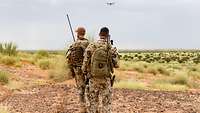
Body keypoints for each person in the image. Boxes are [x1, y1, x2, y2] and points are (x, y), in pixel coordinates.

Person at [82, 27, 119, 113]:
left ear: (99, 34)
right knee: (106, 103)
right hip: (106, 79)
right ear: (108, 35)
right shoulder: (111, 48)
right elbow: (116, 65)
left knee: (93, 103)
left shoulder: (91, 46)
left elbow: (84, 65)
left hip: (93, 78)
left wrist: (85, 72)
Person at [66, 27, 89, 113]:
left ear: (77, 34)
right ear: (84, 33)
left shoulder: (74, 44)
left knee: (81, 89)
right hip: (87, 70)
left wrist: (72, 71)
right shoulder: (89, 43)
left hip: (77, 70)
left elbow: (68, 58)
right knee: (89, 88)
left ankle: (82, 108)